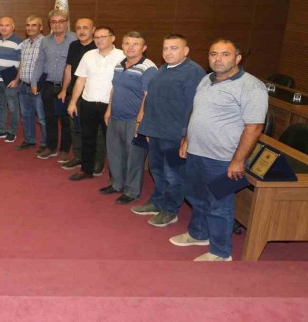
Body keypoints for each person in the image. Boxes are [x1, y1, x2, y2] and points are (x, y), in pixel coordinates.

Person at [170, 39, 267, 261]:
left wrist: (238, 161)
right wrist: (187, 140)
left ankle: (220, 251)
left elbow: (254, 127)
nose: (218, 59)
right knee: (195, 197)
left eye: (225, 54)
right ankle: (198, 234)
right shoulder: (206, 79)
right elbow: (197, 112)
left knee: (219, 205)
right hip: (197, 152)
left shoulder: (252, 87)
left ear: (237, 58)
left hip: (224, 158)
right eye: (214, 54)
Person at [133, 35, 206, 227]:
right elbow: (153, 100)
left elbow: (194, 107)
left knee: (174, 175)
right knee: (157, 171)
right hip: (156, 131)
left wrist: (186, 136)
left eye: (174, 48)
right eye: (165, 48)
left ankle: (170, 210)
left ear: (185, 51)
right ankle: (157, 202)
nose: (168, 52)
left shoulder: (193, 72)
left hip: (175, 135)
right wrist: (147, 127)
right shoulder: (163, 69)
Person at [100, 32, 157, 204]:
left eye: (135, 44)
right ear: (122, 45)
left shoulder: (148, 68)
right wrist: (109, 110)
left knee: (134, 157)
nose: (130, 47)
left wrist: (140, 120)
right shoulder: (119, 64)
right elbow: (114, 89)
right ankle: (117, 184)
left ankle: (132, 191)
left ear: (144, 48)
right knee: (115, 153)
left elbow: (148, 95)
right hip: (116, 116)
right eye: (127, 43)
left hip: (134, 120)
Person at [67, 26, 125, 181]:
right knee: (87, 138)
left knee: (112, 142)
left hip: (110, 105)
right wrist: (73, 102)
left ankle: (115, 177)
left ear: (113, 38)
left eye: (103, 36)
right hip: (88, 102)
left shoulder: (122, 56)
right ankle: (86, 171)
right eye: (96, 37)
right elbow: (80, 79)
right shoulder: (88, 55)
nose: (99, 40)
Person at [31, 9, 77, 159]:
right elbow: (40, 62)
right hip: (48, 86)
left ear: (66, 23)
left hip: (66, 88)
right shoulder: (45, 41)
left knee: (66, 121)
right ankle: (51, 147)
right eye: (53, 22)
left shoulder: (75, 39)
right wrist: (34, 81)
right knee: (49, 119)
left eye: (60, 21)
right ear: (50, 24)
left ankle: (64, 149)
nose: (57, 25)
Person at [61, 18, 101, 170]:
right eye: (78, 28)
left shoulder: (99, 46)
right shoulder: (73, 45)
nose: (81, 31)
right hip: (75, 94)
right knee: (75, 128)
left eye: (85, 28)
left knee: (95, 130)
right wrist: (64, 89)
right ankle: (78, 157)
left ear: (93, 30)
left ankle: (97, 161)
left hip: (93, 95)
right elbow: (69, 68)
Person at [0, 16, 22, 142]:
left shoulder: (18, 42)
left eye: (7, 25)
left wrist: (16, 80)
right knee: (0, 106)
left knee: (13, 108)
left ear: (13, 27)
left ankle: (12, 132)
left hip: (10, 78)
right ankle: (1, 130)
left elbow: (22, 63)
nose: (4, 28)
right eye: (1, 25)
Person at [17, 15, 47, 150]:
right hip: (24, 85)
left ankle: (45, 144)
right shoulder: (24, 44)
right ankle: (29, 140)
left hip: (38, 87)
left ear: (41, 28)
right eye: (28, 25)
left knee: (42, 118)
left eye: (34, 25)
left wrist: (39, 84)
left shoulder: (46, 43)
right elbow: (22, 64)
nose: (30, 28)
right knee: (26, 115)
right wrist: (17, 80)